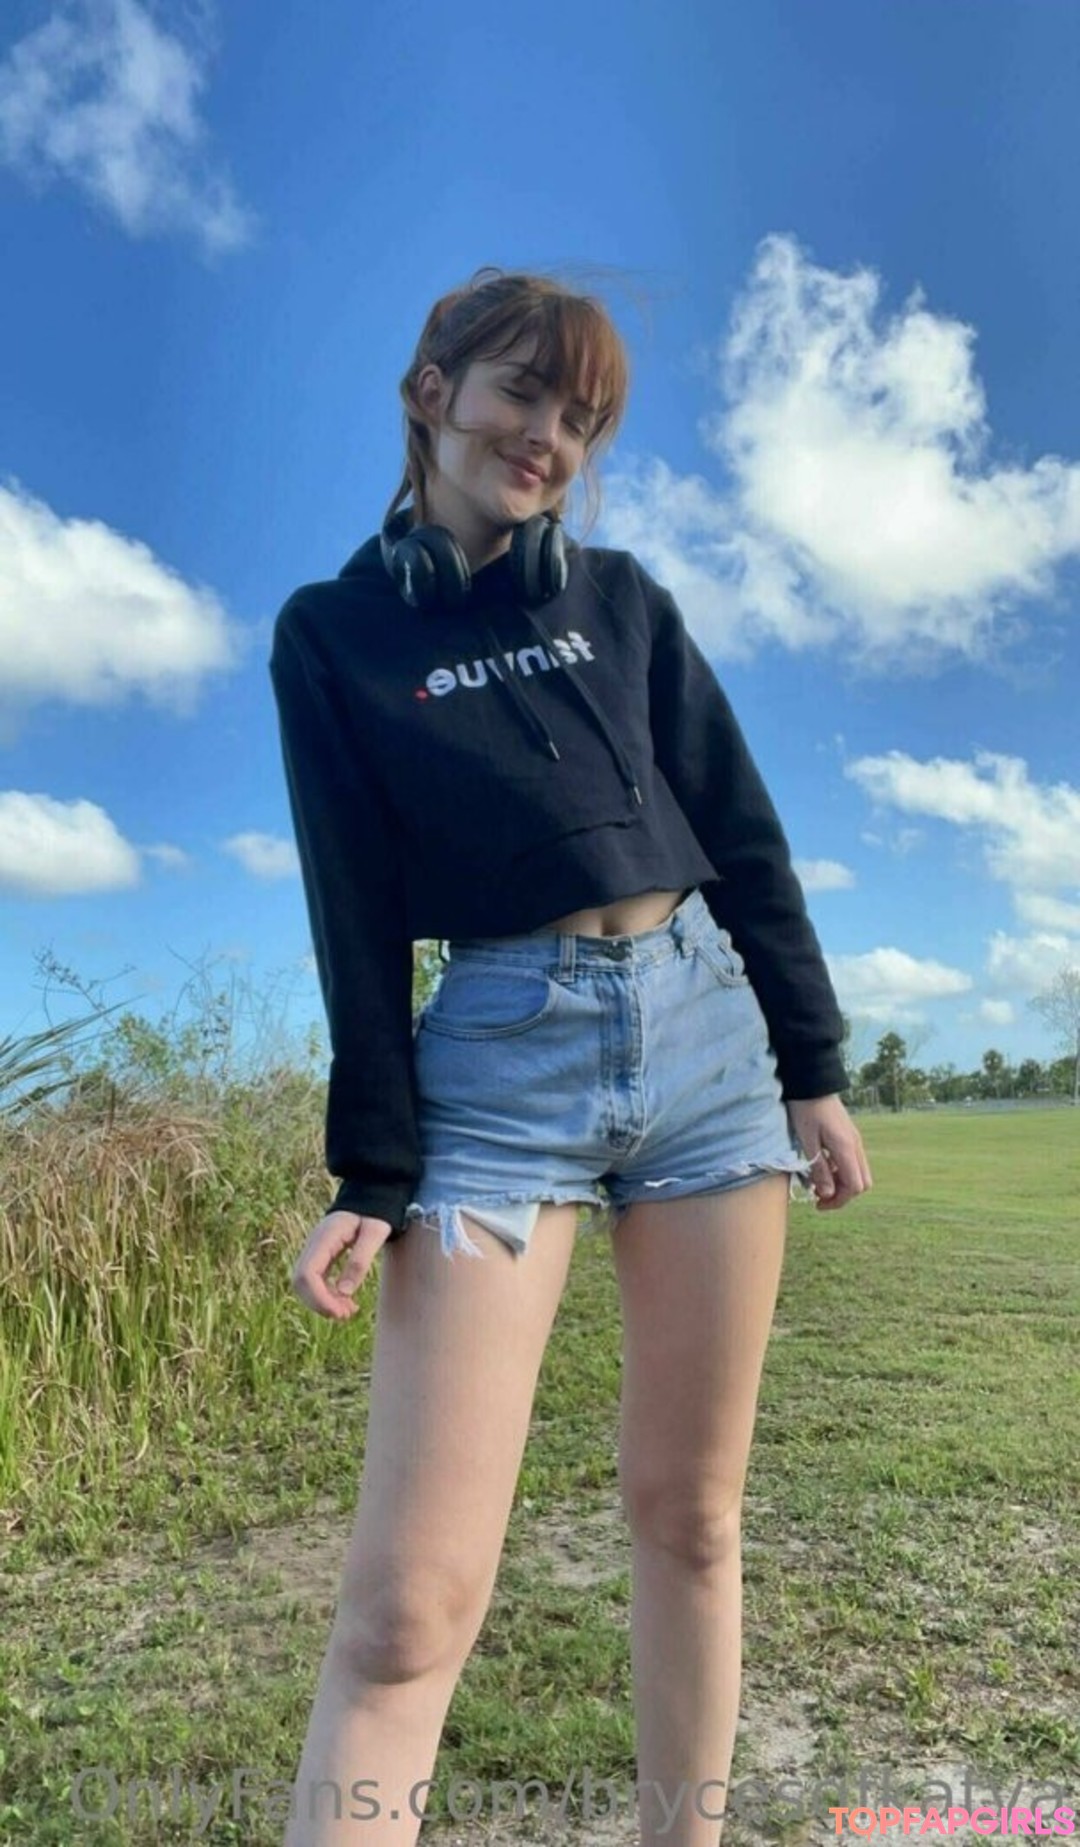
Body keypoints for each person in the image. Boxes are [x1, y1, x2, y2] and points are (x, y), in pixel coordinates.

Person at [269, 266, 872, 1847]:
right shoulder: (333, 636)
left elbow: (742, 831)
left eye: (581, 416)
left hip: (706, 1051)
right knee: (406, 1608)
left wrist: (811, 1066)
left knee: (692, 1519)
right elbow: (351, 910)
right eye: (522, 392)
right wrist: (372, 1166)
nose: (549, 436)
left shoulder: (621, 601)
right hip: (497, 1072)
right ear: (432, 393)